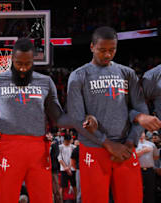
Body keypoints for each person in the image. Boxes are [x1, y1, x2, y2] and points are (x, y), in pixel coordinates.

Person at [0, 38, 99, 203]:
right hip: (8, 147)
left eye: (27, 63)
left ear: (33, 61)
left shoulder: (45, 82)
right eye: (18, 63)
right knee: (5, 199)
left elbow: (58, 117)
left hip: (38, 149)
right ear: (11, 59)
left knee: (43, 198)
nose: (22, 68)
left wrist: (80, 119)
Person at [67, 26, 161, 203]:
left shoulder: (127, 73)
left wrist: (130, 142)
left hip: (125, 149)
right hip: (94, 149)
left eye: (112, 50)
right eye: (102, 50)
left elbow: (142, 110)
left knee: (132, 199)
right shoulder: (78, 76)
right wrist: (107, 143)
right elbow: (77, 119)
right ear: (92, 47)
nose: (107, 55)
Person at [136, 131, 159, 203]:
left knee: (150, 190)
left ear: (144, 134)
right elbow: (132, 157)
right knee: (138, 191)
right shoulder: (134, 144)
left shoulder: (151, 144)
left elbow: (156, 157)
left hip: (150, 170)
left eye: (142, 133)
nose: (141, 135)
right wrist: (143, 151)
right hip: (138, 171)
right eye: (139, 133)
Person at [58, 134, 76, 201]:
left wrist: (69, 167)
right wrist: (66, 168)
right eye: (67, 140)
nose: (68, 142)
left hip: (72, 169)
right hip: (63, 169)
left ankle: (76, 200)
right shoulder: (60, 147)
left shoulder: (73, 147)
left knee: (74, 186)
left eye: (69, 140)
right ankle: (61, 201)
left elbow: (74, 159)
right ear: (64, 140)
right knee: (62, 187)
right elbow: (59, 158)